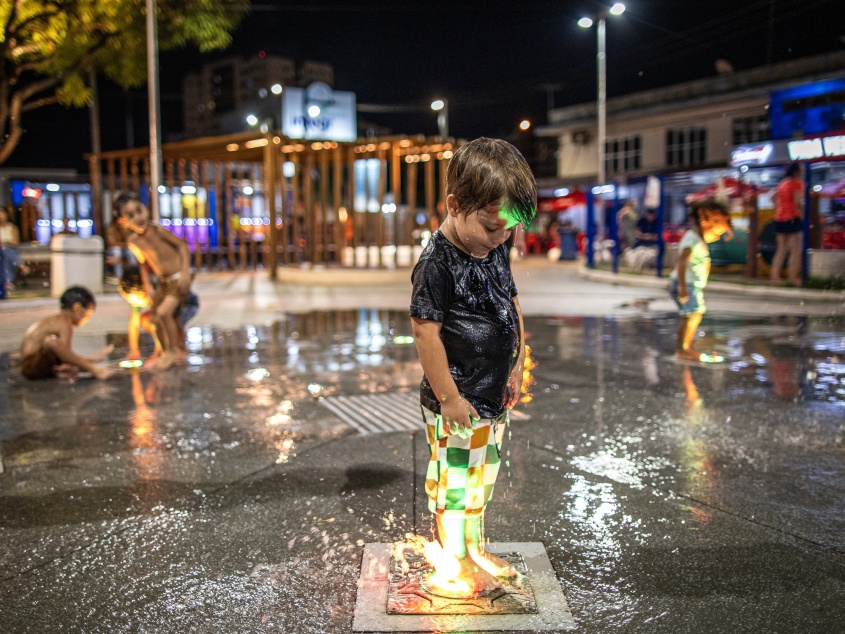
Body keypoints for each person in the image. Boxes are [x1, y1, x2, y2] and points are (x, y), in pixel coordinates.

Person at [410, 137, 536, 598]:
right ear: (454, 205)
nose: (501, 238)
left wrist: (517, 364)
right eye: (490, 227)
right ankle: (455, 557)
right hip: (457, 399)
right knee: (455, 480)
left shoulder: (497, 243)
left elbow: (512, 302)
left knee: (484, 474)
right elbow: (426, 334)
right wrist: (450, 398)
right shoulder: (437, 263)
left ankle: (475, 545)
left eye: (508, 230)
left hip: (492, 395)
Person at [113, 192, 192, 370]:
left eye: (139, 211)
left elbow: (183, 245)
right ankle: (164, 352)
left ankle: (173, 351)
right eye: (131, 215)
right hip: (164, 283)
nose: (138, 217)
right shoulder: (134, 241)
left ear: (146, 210)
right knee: (155, 318)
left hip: (178, 278)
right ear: (123, 222)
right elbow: (144, 264)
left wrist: (186, 271)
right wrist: (148, 286)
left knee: (165, 313)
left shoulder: (157, 231)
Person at [669, 198, 732, 361]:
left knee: (694, 315)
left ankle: (685, 348)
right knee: (690, 315)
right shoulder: (692, 239)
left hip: (691, 285)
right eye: (716, 226)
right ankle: (682, 350)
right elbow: (682, 262)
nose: (717, 234)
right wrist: (682, 287)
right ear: (705, 221)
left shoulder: (697, 239)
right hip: (686, 284)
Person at [19, 285, 114, 380]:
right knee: (52, 341)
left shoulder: (57, 320)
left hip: (31, 365)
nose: (88, 319)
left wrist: (93, 358)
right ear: (77, 308)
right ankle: (96, 371)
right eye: (89, 313)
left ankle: (56, 371)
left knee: (55, 345)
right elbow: (67, 357)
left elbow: (66, 355)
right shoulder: (65, 324)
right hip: (31, 367)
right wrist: (95, 369)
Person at [118, 266, 200, 363]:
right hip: (167, 311)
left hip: (187, 304)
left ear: (145, 290)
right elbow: (134, 323)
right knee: (146, 319)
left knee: (172, 322)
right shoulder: (136, 296)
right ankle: (169, 349)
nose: (138, 302)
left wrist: (158, 354)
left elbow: (160, 323)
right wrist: (134, 350)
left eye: (140, 299)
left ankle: (179, 350)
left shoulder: (158, 291)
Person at [770, 163, 804, 286]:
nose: (803, 172)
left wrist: (779, 208)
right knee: (795, 249)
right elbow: (798, 203)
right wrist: (803, 218)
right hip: (792, 218)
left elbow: (772, 197)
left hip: (779, 218)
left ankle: (775, 276)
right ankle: (793, 277)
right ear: (796, 172)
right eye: (801, 170)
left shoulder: (782, 183)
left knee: (781, 249)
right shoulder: (797, 184)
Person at [0, 205, 27, 290]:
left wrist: (6, 243)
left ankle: (7, 282)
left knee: (5, 253)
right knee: (3, 252)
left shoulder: (13, 228)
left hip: (10, 249)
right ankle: (20, 265)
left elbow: (15, 243)